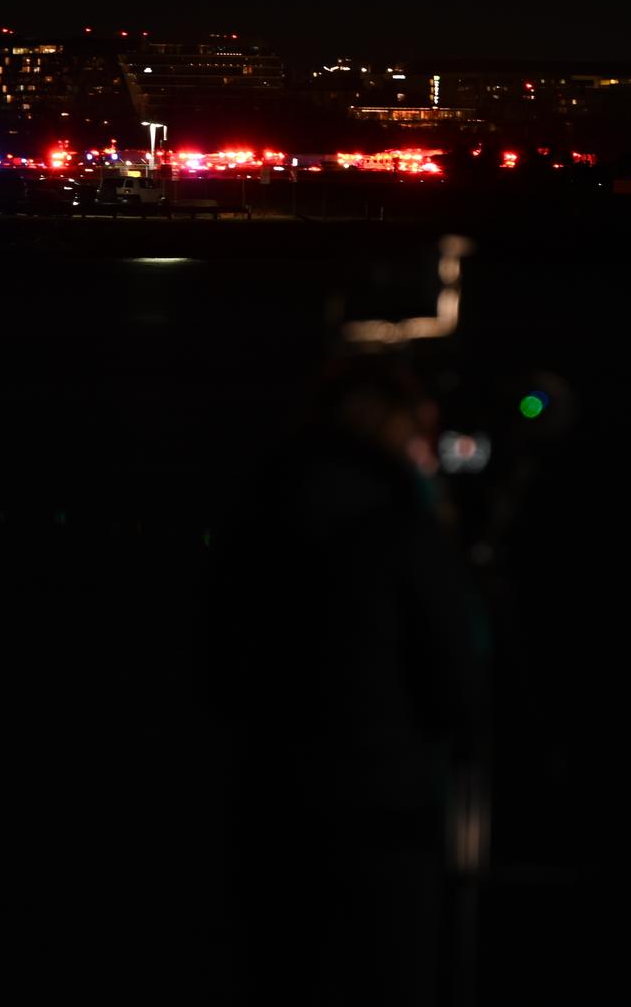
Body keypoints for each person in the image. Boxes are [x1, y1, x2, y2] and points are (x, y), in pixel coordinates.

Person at [208, 354, 489, 1006]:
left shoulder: (257, 511)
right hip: (385, 814)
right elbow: (455, 672)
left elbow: (219, 664)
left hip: (274, 806)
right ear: (388, 422)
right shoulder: (399, 522)